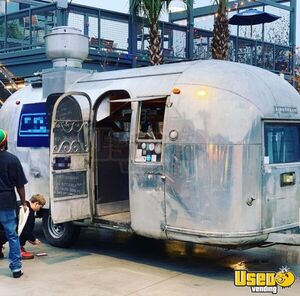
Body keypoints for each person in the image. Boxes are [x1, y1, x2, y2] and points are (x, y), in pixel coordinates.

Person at [0, 129, 27, 278]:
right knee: (12, 235)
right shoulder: (12, 160)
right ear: (5, 142)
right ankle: (16, 269)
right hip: (7, 202)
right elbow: (20, 185)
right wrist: (23, 203)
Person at [19, 194, 46, 259]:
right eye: (40, 207)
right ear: (36, 203)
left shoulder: (23, 203)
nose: (39, 209)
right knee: (27, 228)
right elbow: (26, 231)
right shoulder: (29, 212)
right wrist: (33, 240)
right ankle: (18, 249)